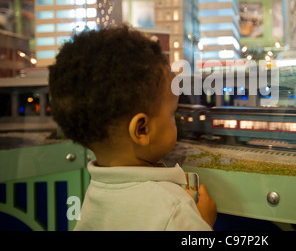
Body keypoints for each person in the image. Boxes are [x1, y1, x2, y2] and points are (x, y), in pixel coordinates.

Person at [48, 25, 216, 230]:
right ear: (142, 129)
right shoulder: (174, 208)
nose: (176, 119)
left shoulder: (94, 197)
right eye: (172, 113)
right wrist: (204, 221)